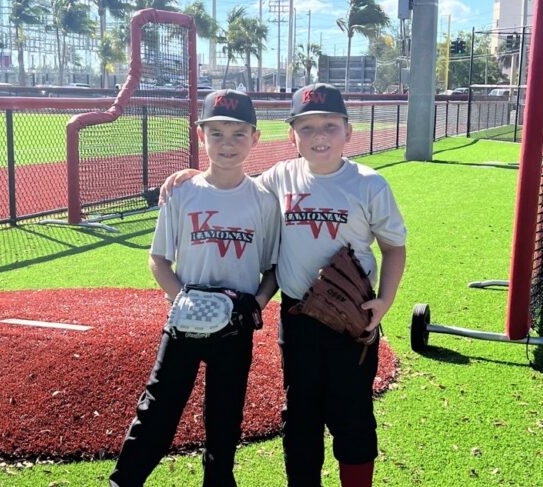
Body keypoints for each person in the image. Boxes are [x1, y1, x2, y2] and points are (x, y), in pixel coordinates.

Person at [160, 83, 407, 487]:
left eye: (330, 125)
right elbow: (232, 179)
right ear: (291, 135)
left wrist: (384, 302)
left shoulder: (368, 183)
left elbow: (394, 247)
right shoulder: (278, 177)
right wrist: (195, 176)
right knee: (301, 416)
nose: (319, 136)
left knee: (353, 414)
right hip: (297, 319)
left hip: (352, 319)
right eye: (307, 127)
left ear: (349, 131)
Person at [109, 89, 280, 487]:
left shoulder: (264, 201)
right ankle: (124, 481)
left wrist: (255, 303)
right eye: (216, 133)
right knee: (158, 407)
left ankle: (219, 481)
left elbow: (272, 268)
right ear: (200, 135)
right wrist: (182, 299)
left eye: (238, 134)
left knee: (225, 414)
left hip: (235, 328)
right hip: (184, 325)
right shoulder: (181, 193)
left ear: (255, 138)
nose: (227, 144)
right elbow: (158, 259)